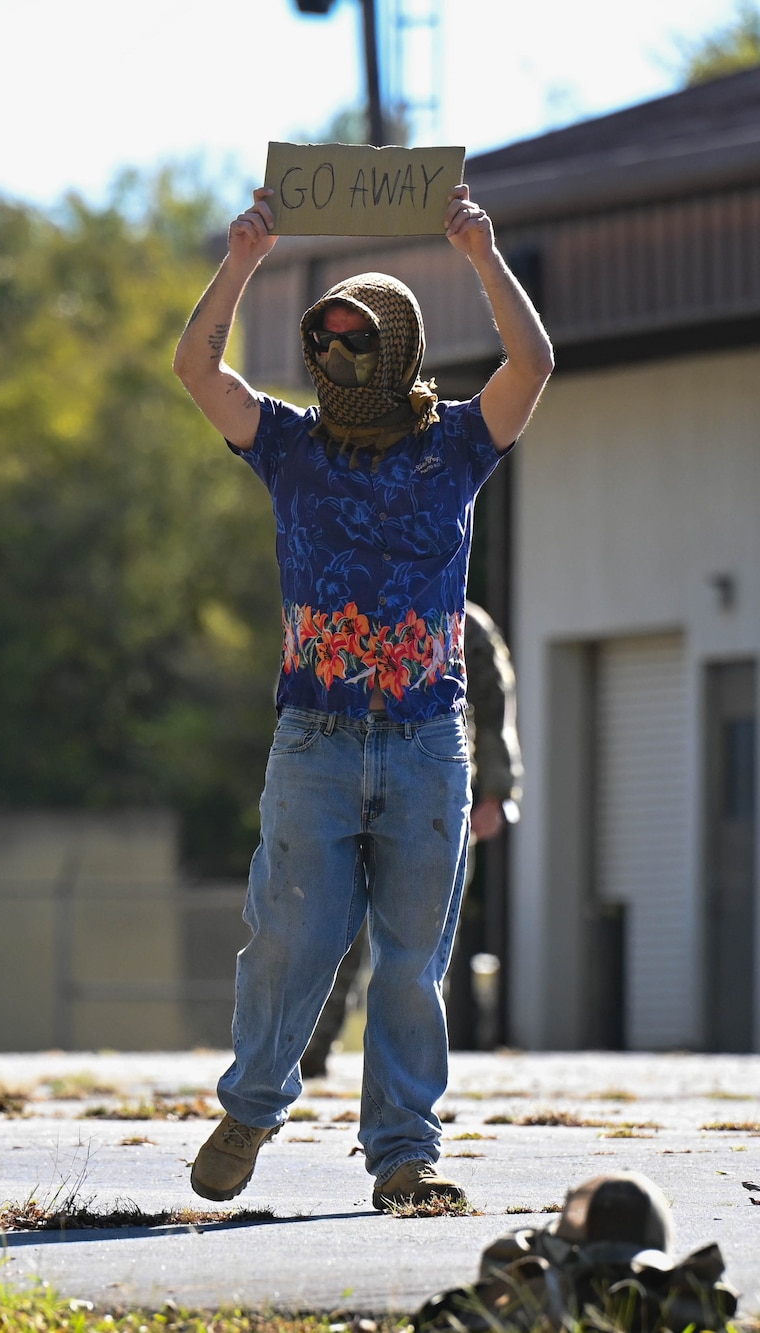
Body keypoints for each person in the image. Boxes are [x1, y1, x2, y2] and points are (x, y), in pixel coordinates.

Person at [170, 183, 552, 1211]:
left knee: (408, 965)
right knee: (290, 936)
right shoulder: (288, 447)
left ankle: (402, 1157)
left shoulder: (456, 447)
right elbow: (196, 371)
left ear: (394, 350)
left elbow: (533, 365)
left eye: (352, 340)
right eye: (321, 338)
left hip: (428, 742)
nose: (331, 356)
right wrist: (244, 258)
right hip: (316, 742)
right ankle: (250, 1106)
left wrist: (480, 252)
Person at [299, 598, 523, 1080]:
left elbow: (494, 697)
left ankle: (405, 1073)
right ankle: (310, 1050)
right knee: (334, 925)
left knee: (422, 939)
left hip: (434, 792)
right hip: (347, 784)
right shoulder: (347, 603)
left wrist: (497, 790)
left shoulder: (462, 618)